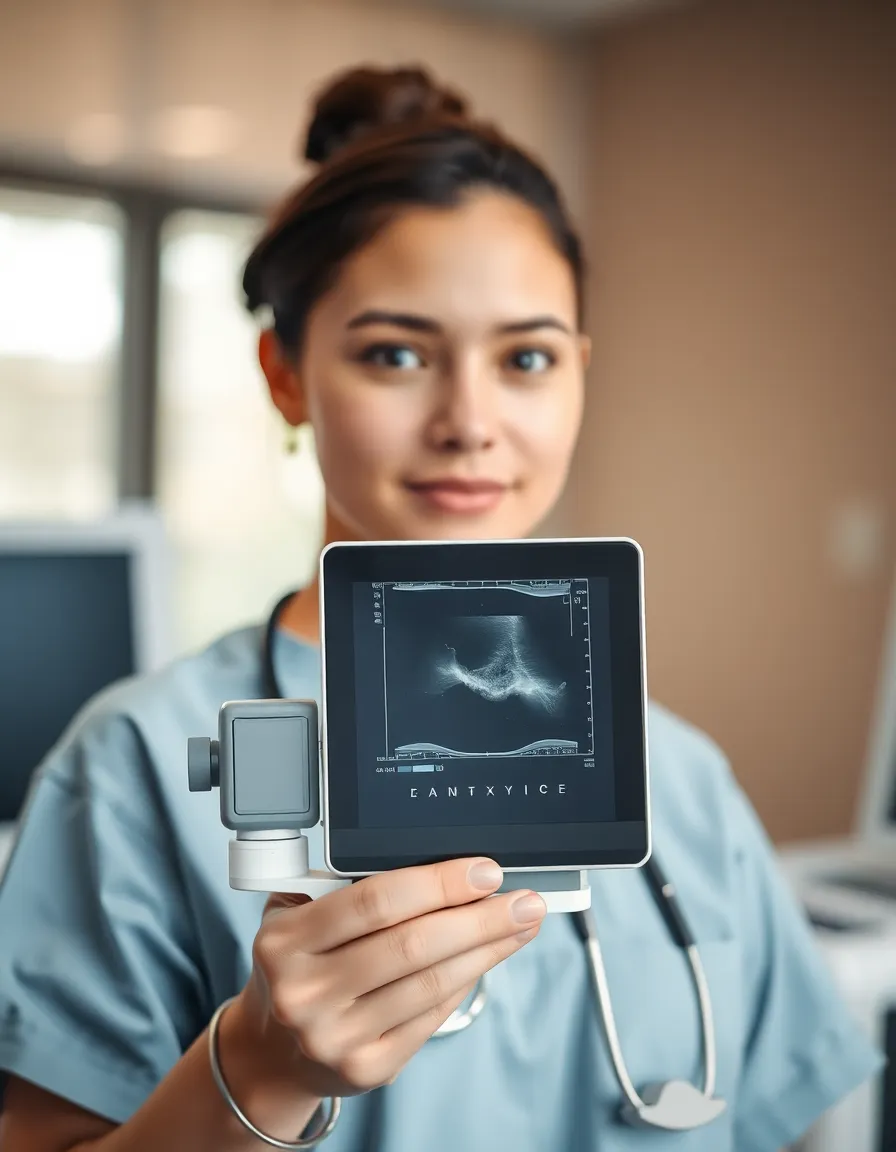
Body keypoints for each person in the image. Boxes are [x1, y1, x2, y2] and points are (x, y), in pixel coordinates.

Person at [0, 65, 882, 1152]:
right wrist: (258, 1072)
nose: (470, 421)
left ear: (578, 376)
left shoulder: (681, 780)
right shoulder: (133, 764)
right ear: (283, 373)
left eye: (525, 358)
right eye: (396, 353)